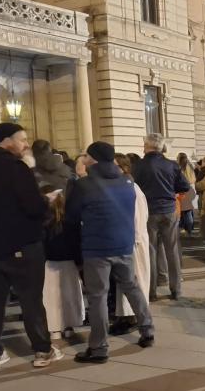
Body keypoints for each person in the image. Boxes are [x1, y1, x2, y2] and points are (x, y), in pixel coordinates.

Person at [0, 123, 63, 371]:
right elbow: (32, 206)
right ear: (7, 140)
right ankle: (43, 351)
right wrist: (47, 200)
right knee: (31, 299)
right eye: (22, 139)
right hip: (22, 245)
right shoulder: (15, 167)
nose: (25, 144)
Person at [67, 142, 154, 363]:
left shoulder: (84, 185)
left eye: (86, 155)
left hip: (97, 248)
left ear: (93, 159)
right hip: (123, 244)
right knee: (132, 287)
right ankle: (147, 329)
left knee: (98, 297)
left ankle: (99, 347)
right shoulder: (127, 181)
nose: (83, 158)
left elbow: (72, 217)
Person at [132, 133, 190, 301]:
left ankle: (151, 291)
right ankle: (176, 289)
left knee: (150, 250)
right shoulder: (171, 165)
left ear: (148, 146)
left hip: (148, 211)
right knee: (172, 249)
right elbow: (184, 186)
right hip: (168, 209)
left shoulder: (138, 166)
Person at [109, 153, 152, 336]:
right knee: (127, 281)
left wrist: (131, 239)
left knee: (135, 279)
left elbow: (137, 217)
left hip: (133, 241)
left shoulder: (132, 188)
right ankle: (126, 316)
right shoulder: (123, 187)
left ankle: (133, 317)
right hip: (128, 240)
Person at [40, 184, 84, 341]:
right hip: (69, 262)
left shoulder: (43, 220)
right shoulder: (70, 220)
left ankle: (54, 328)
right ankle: (69, 326)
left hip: (49, 264)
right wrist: (80, 262)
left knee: (51, 297)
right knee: (69, 295)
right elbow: (77, 242)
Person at [176, 152, 197, 235]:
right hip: (191, 188)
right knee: (189, 209)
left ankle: (188, 229)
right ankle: (189, 228)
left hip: (183, 189)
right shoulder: (190, 166)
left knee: (186, 211)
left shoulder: (180, 168)